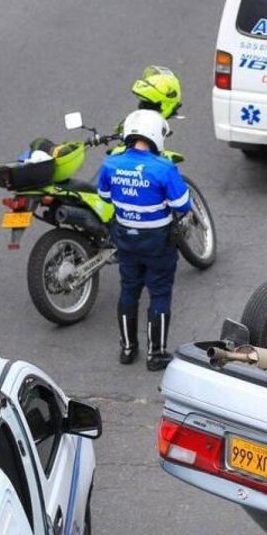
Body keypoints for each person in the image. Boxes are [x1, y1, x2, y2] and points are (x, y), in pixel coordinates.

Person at [97, 109, 191, 371]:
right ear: (154, 136)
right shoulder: (164, 168)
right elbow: (182, 204)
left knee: (129, 290)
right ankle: (156, 354)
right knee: (159, 293)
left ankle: (127, 349)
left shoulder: (111, 164)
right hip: (158, 242)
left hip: (125, 239)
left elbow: (104, 196)